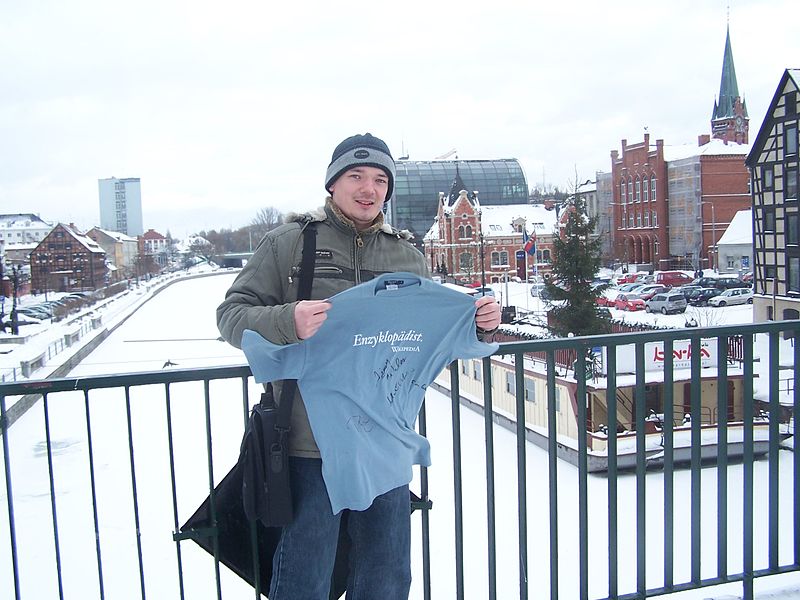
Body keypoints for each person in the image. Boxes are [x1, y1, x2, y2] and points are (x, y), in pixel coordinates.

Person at [216, 133, 500, 599]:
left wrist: (479, 328)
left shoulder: (408, 255)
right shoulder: (290, 243)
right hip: (309, 443)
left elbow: (425, 341)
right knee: (306, 574)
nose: (369, 188)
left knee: (387, 575)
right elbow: (230, 317)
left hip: (384, 443)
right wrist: (288, 320)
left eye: (380, 179)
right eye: (356, 176)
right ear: (332, 184)